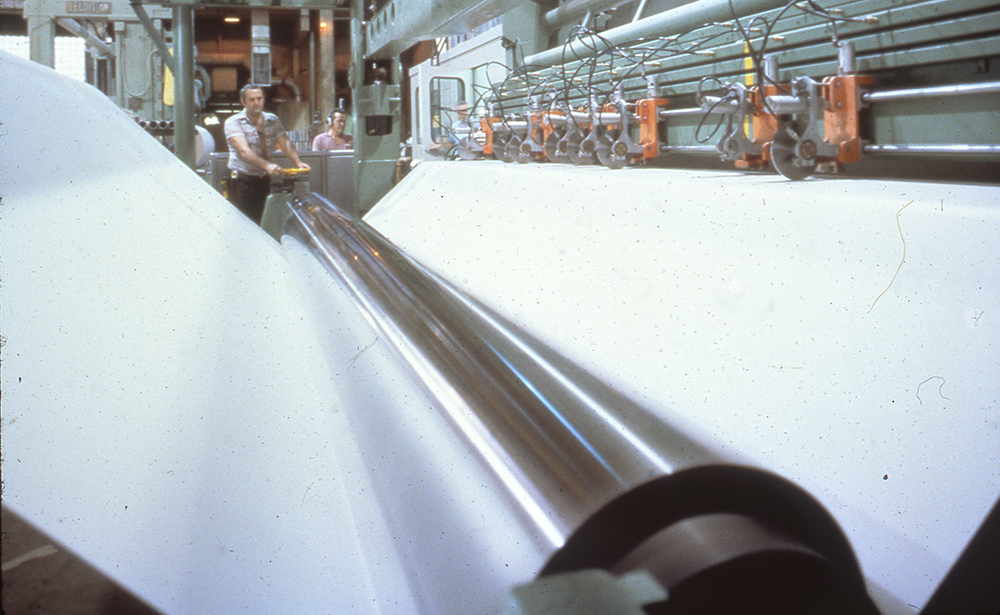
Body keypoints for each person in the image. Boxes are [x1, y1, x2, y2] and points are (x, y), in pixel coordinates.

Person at [225, 84, 309, 224]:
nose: (256, 103)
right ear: (243, 102)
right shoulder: (233, 122)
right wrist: (267, 166)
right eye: (251, 99)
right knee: (242, 222)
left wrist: (297, 161)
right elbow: (244, 151)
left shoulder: (272, 120)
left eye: (259, 98)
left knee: (261, 221)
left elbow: (285, 142)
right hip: (242, 179)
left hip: (263, 179)